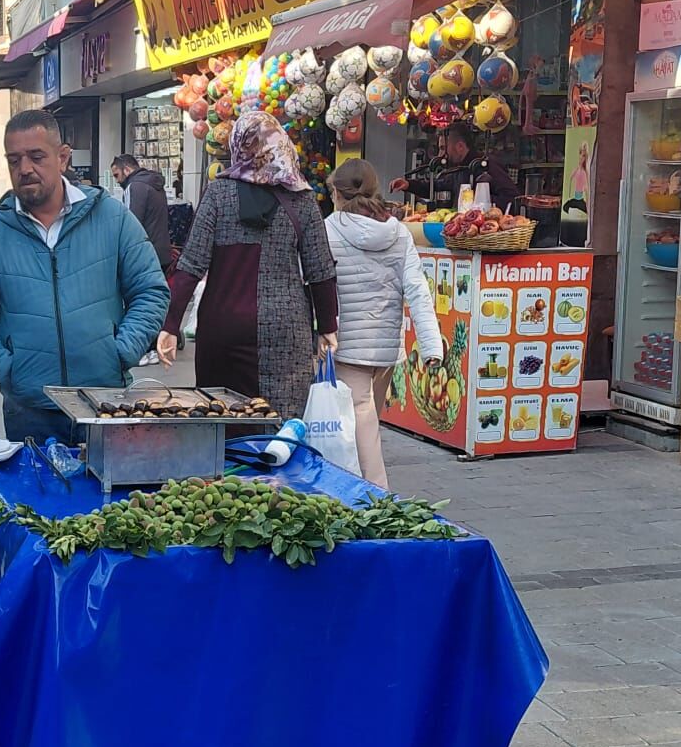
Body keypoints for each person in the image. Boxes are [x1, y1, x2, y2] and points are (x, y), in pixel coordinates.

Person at [0, 109, 169, 443]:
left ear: (63, 158)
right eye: (14, 160)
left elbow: (150, 291)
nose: (25, 169)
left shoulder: (111, 218)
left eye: (36, 157)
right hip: (29, 410)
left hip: (105, 403)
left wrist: (121, 351)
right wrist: (7, 368)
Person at [156, 112, 338, 420]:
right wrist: (328, 326)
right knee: (281, 422)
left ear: (238, 145)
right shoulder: (302, 199)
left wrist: (171, 324)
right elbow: (320, 270)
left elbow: (191, 264)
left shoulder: (218, 193)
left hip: (221, 327)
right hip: (285, 329)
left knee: (221, 419)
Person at [324, 158, 442, 488]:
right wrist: (432, 346)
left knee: (360, 425)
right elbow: (418, 290)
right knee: (367, 421)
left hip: (347, 345)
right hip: (386, 350)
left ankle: (375, 495)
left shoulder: (328, 229)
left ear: (337, 193)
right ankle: (363, 490)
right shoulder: (399, 232)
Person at [431, 124, 521, 211]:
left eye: (443, 148)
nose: (440, 155)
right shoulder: (455, 169)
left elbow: (512, 199)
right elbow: (441, 185)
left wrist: (480, 200)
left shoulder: (486, 165)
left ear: (460, 146)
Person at [109, 154, 174, 275]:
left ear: (126, 170)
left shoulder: (133, 187)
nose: (117, 181)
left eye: (116, 175)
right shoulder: (154, 184)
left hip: (144, 256)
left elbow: (130, 226)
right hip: (162, 252)